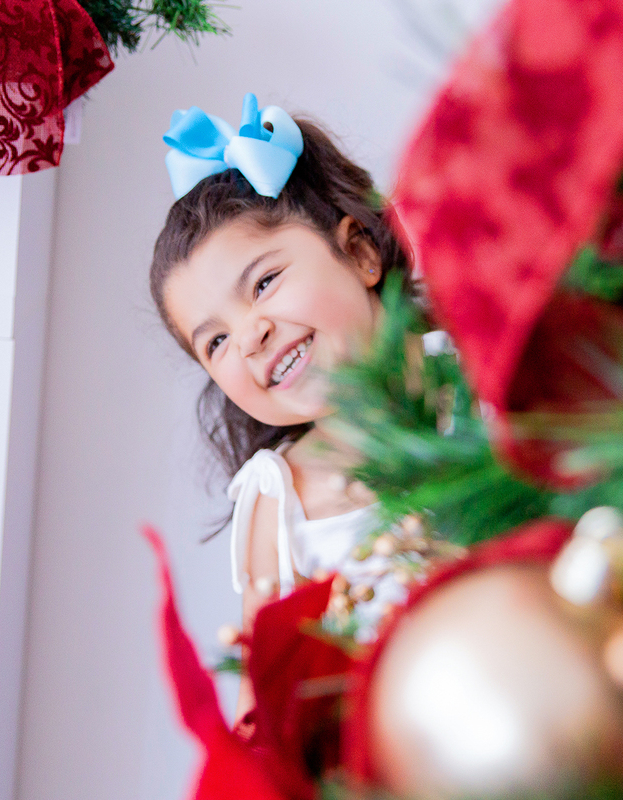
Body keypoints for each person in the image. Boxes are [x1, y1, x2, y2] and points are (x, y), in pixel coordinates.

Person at [149, 93, 411, 719]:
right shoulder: (279, 500)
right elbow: (261, 711)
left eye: (264, 283)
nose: (249, 336)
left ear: (361, 254)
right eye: (214, 341)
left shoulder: (490, 384)